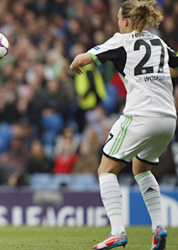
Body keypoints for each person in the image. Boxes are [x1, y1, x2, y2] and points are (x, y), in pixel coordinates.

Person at [70, 1, 178, 249]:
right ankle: (158, 227)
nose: (118, 23)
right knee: (141, 169)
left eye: (119, 19)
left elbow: (82, 58)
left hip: (141, 115)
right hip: (168, 119)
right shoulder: (159, 42)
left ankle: (117, 231)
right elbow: (175, 64)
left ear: (126, 21)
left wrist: (75, 64)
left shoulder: (121, 40)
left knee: (106, 169)